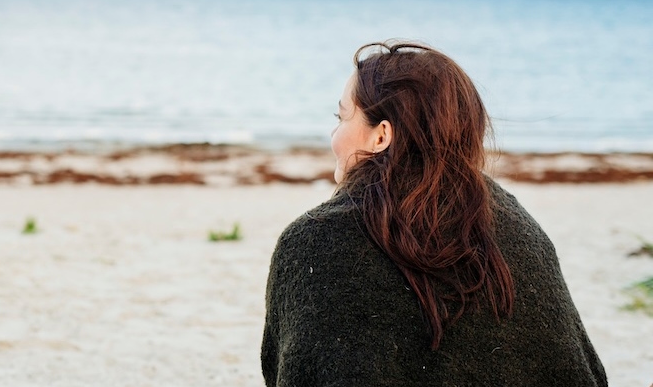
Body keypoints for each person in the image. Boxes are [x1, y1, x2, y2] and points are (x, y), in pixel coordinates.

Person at [260, 41, 607, 386]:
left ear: (381, 136)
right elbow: (577, 371)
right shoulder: (520, 231)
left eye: (341, 117)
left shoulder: (313, 243)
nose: (334, 134)